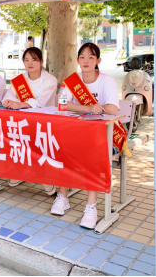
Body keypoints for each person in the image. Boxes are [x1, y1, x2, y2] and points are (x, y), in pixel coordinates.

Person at [51, 43, 120, 230]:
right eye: (82, 57)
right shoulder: (72, 81)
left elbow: (113, 108)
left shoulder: (107, 81)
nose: (86, 61)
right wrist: (88, 108)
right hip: (77, 134)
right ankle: (63, 196)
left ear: (98, 61)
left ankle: (91, 206)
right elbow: (63, 104)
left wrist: (98, 108)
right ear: (78, 60)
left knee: (92, 153)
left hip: (104, 136)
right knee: (61, 148)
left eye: (91, 57)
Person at [2, 47, 57, 195]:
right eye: (26, 60)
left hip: (45, 123)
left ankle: (46, 178)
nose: (30, 63)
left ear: (41, 61)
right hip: (23, 122)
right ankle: (20, 172)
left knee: (40, 145)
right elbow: (9, 95)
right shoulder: (19, 80)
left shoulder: (50, 80)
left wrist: (21, 104)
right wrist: (8, 101)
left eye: (34, 59)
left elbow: (41, 102)